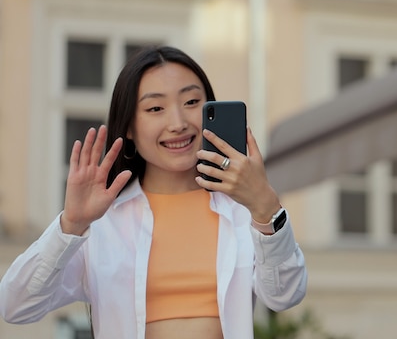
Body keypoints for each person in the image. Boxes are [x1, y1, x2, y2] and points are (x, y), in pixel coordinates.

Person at [0, 46, 307, 339]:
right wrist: (70, 225)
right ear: (129, 126)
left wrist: (268, 209)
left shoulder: (243, 211)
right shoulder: (102, 222)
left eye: (191, 102)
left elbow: (284, 296)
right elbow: (14, 306)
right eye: (155, 108)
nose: (178, 123)